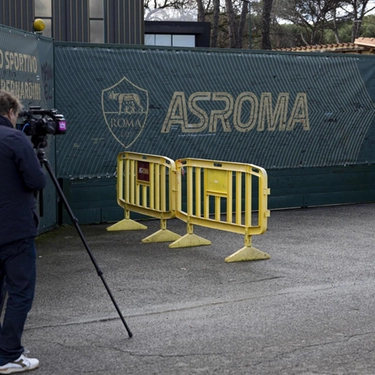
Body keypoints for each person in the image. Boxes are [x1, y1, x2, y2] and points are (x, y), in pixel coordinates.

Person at [0, 91, 46, 374]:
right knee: (20, 292)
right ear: (11, 113)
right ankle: (9, 354)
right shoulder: (15, 139)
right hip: (14, 231)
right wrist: (37, 156)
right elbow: (36, 180)